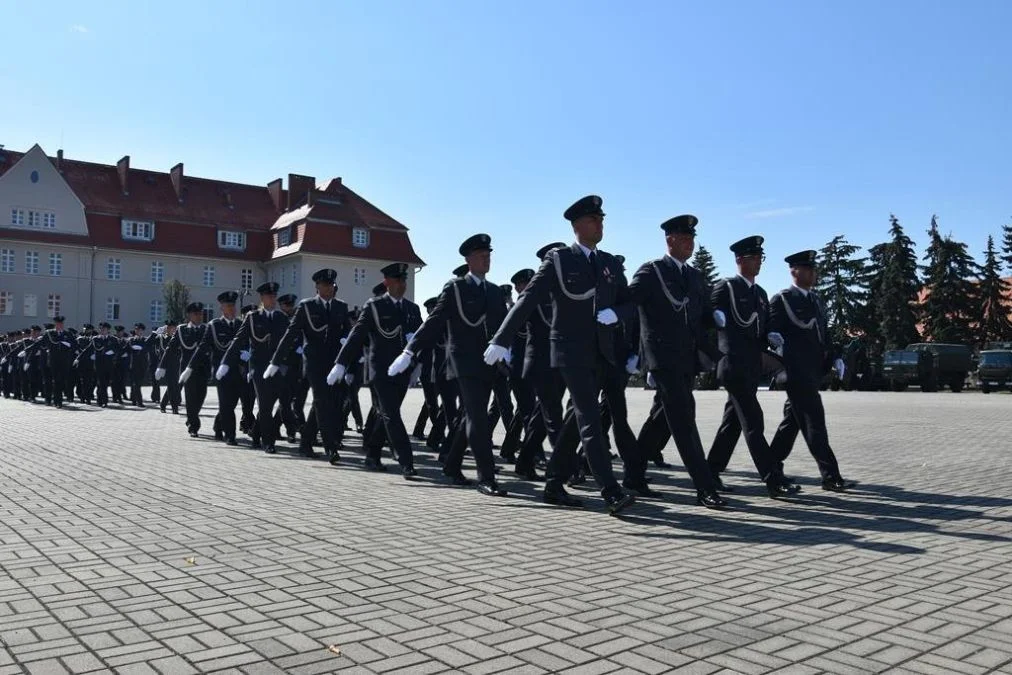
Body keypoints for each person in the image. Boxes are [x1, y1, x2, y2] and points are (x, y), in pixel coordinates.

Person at [486, 196, 637, 515]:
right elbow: (527, 300)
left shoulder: (608, 262)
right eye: (594, 219)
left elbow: (629, 302)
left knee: (573, 422)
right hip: (569, 351)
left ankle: (554, 484)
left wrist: (616, 314)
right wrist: (501, 339)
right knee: (589, 418)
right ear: (578, 225)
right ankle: (610, 490)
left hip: (601, 352)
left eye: (602, 219)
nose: (600, 224)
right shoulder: (559, 259)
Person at [389, 234, 510, 496]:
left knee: (469, 415)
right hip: (463, 362)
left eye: (488, 255)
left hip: (488, 362)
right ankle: (486, 477)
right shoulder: (455, 288)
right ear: (468, 260)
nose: (486, 259)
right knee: (477, 416)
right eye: (481, 255)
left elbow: (502, 324)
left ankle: (452, 465)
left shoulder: (493, 291)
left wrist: (506, 348)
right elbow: (433, 322)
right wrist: (409, 351)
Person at [626, 215, 726, 508]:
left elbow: (703, 310)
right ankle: (704, 485)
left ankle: (633, 473)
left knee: (662, 420)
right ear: (670, 240)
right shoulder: (651, 271)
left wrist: (714, 317)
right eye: (684, 239)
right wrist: (632, 350)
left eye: (692, 239)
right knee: (684, 418)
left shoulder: (694, 276)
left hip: (687, 357)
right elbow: (630, 304)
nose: (690, 244)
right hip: (662, 357)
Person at [706, 236, 800, 498]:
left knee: (732, 424)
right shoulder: (726, 287)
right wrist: (714, 318)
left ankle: (710, 471)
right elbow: (706, 312)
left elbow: (761, 326)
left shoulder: (759, 294)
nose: (758, 263)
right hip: (732, 365)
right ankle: (772, 479)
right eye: (753, 258)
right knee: (753, 422)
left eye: (760, 258)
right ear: (739, 260)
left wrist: (771, 335)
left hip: (750, 367)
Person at [768, 250, 854, 491]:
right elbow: (771, 332)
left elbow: (824, 335)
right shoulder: (782, 299)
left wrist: (835, 357)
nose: (813, 274)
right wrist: (774, 340)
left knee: (792, 422)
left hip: (814, 371)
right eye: (807, 269)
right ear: (794, 271)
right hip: (795, 372)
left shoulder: (816, 300)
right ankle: (830, 475)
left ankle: (771, 466)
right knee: (815, 421)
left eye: (814, 269)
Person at [331, 263, 423, 477]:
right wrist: (341, 363)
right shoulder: (374, 306)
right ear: (387, 282)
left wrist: (418, 363)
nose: (402, 284)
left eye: (404, 280)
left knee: (385, 415)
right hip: (380, 371)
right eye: (398, 280)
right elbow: (356, 336)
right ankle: (406, 461)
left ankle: (372, 455)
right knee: (391, 414)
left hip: (402, 371)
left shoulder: (412, 309)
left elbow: (421, 337)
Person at [265, 268, 349, 463]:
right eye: (324, 285)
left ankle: (305, 443)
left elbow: (348, 332)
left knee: (322, 403)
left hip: (334, 363)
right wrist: (275, 361)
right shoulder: (307, 306)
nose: (328, 288)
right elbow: (291, 333)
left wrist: (346, 345)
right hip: (314, 363)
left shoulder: (341, 307)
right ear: (317, 287)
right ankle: (330, 448)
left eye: (331, 285)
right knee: (323, 401)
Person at [186, 291, 242, 445]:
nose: (232, 309)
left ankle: (218, 425)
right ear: (222, 308)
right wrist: (190, 367)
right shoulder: (214, 325)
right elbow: (203, 347)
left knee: (231, 403)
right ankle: (230, 435)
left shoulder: (240, 324)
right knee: (225, 403)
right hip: (220, 372)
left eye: (233, 305)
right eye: (228, 306)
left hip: (238, 370)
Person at [156, 303, 209, 437]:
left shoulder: (207, 329)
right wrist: (161, 366)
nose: (199, 316)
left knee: (200, 398)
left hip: (203, 369)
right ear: (189, 315)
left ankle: (191, 417)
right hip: (187, 371)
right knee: (190, 398)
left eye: (201, 313)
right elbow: (170, 348)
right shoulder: (182, 330)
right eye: (196, 314)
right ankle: (193, 425)